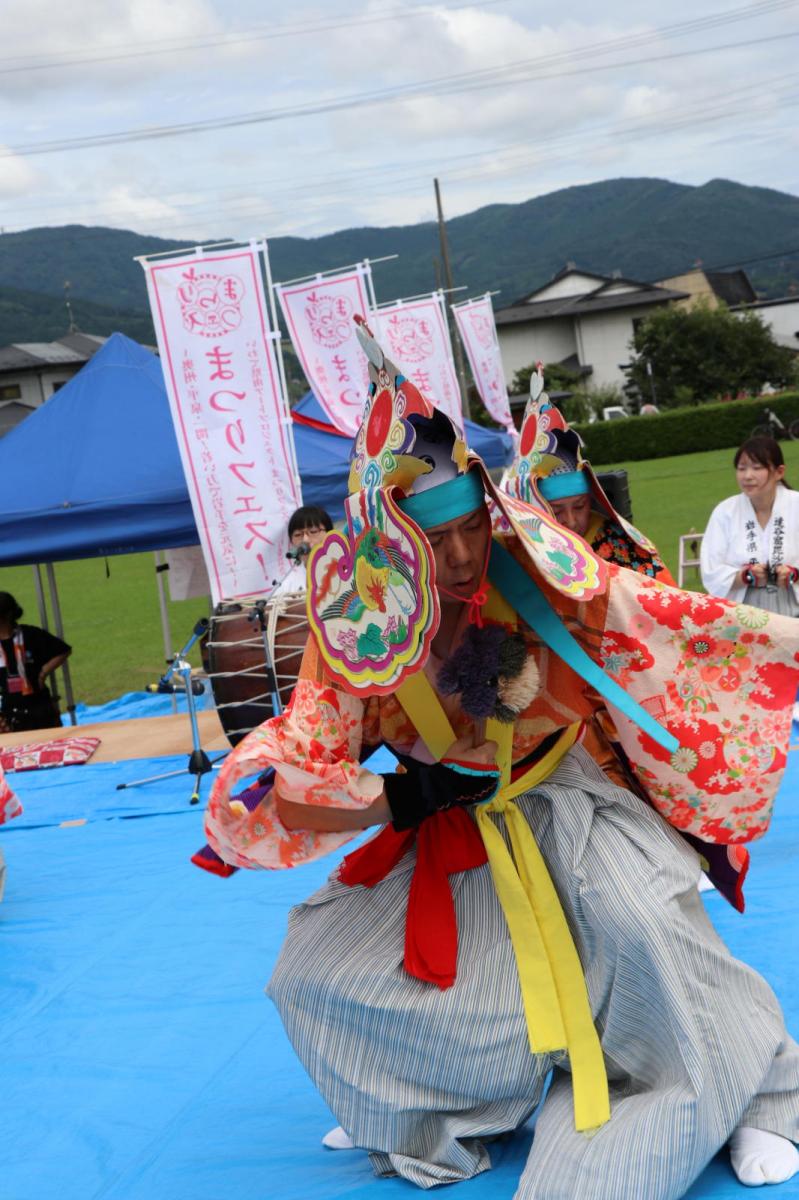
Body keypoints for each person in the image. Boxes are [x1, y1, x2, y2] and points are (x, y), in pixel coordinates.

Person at [204, 320, 799, 1198]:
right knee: (315, 973)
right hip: (440, 820)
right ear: (385, 543)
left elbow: (680, 624)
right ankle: (427, 1100)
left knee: (643, 925)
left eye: (467, 531)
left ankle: (764, 1091)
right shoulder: (354, 636)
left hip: (565, 796)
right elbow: (292, 782)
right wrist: (394, 799)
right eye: (428, 541)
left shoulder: (548, 569)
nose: (455, 557)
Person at [505, 367, 674, 583]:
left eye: (579, 506)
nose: (572, 521)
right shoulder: (513, 555)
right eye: (556, 510)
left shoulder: (618, 544)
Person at [700, 436, 799, 616]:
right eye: (741, 468)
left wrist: (794, 574)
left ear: (779, 472)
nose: (747, 476)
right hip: (743, 614)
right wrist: (744, 576)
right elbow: (711, 569)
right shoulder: (725, 511)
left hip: (793, 607)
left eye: (757, 467)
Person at [0, 592, 71, 733]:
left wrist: (43, 672)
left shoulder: (30, 635)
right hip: (10, 712)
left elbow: (63, 650)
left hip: (40, 708)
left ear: (7, 615)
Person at [272, 504, 333, 597]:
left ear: (329, 534)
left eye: (313, 531)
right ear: (291, 541)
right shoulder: (285, 585)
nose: (305, 540)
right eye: (298, 534)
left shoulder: (345, 569)